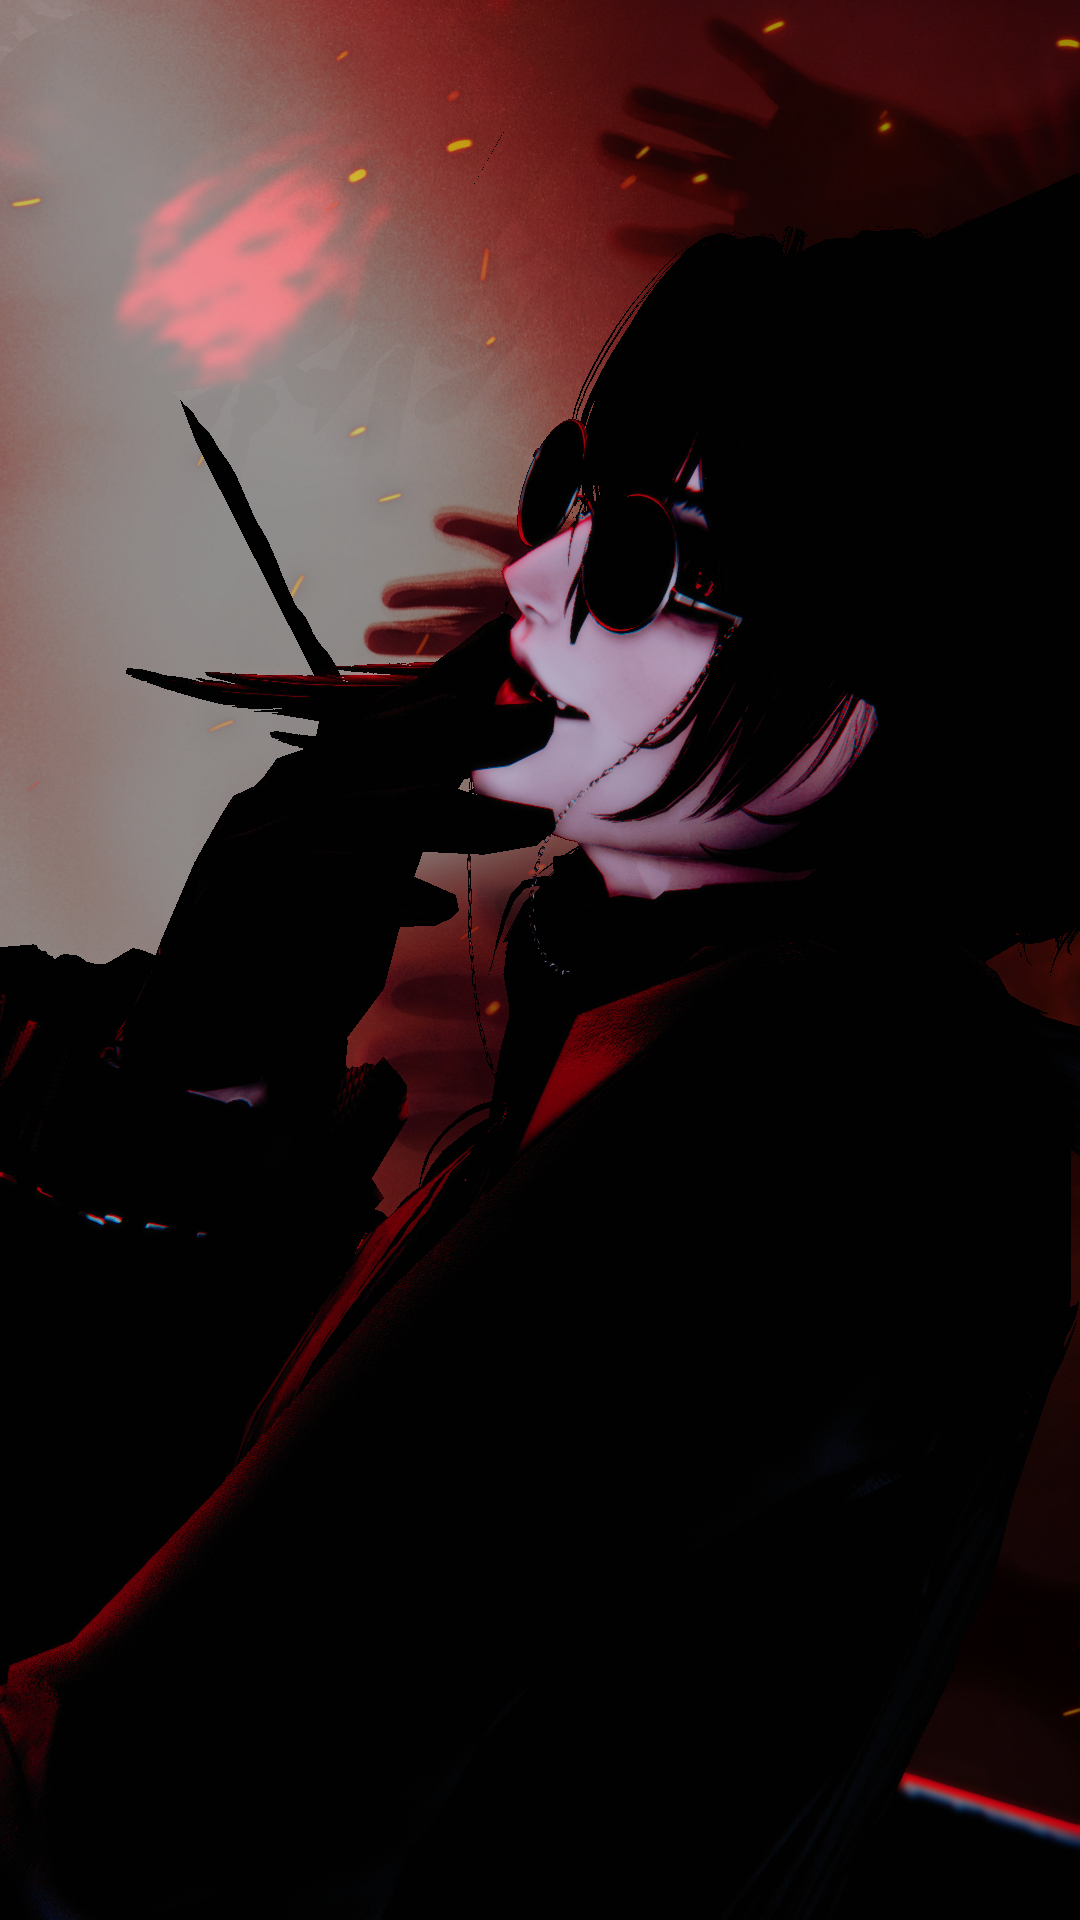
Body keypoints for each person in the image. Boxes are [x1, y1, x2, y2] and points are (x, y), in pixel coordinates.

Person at [1, 173, 1078, 1919]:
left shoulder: (799, 1128)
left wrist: (172, 1128)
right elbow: (195, 1567)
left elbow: (135, 1814)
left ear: (928, 682)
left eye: (655, 557)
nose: (539, 571)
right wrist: (202, 1090)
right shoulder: (711, 1054)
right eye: (573, 494)